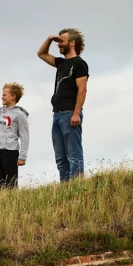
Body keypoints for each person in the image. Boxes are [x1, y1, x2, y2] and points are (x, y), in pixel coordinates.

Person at [37, 28, 89, 182]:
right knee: (60, 157)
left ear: (72, 43)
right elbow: (41, 54)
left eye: (62, 41)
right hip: (57, 114)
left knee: (74, 154)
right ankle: (65, 188)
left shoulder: (79, 64)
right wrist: (49, 39)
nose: (58, 44)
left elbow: (82, 90)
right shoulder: (61, 63)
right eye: (58, 41)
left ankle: (77, 186)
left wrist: (76, 113)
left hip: (69, 113)